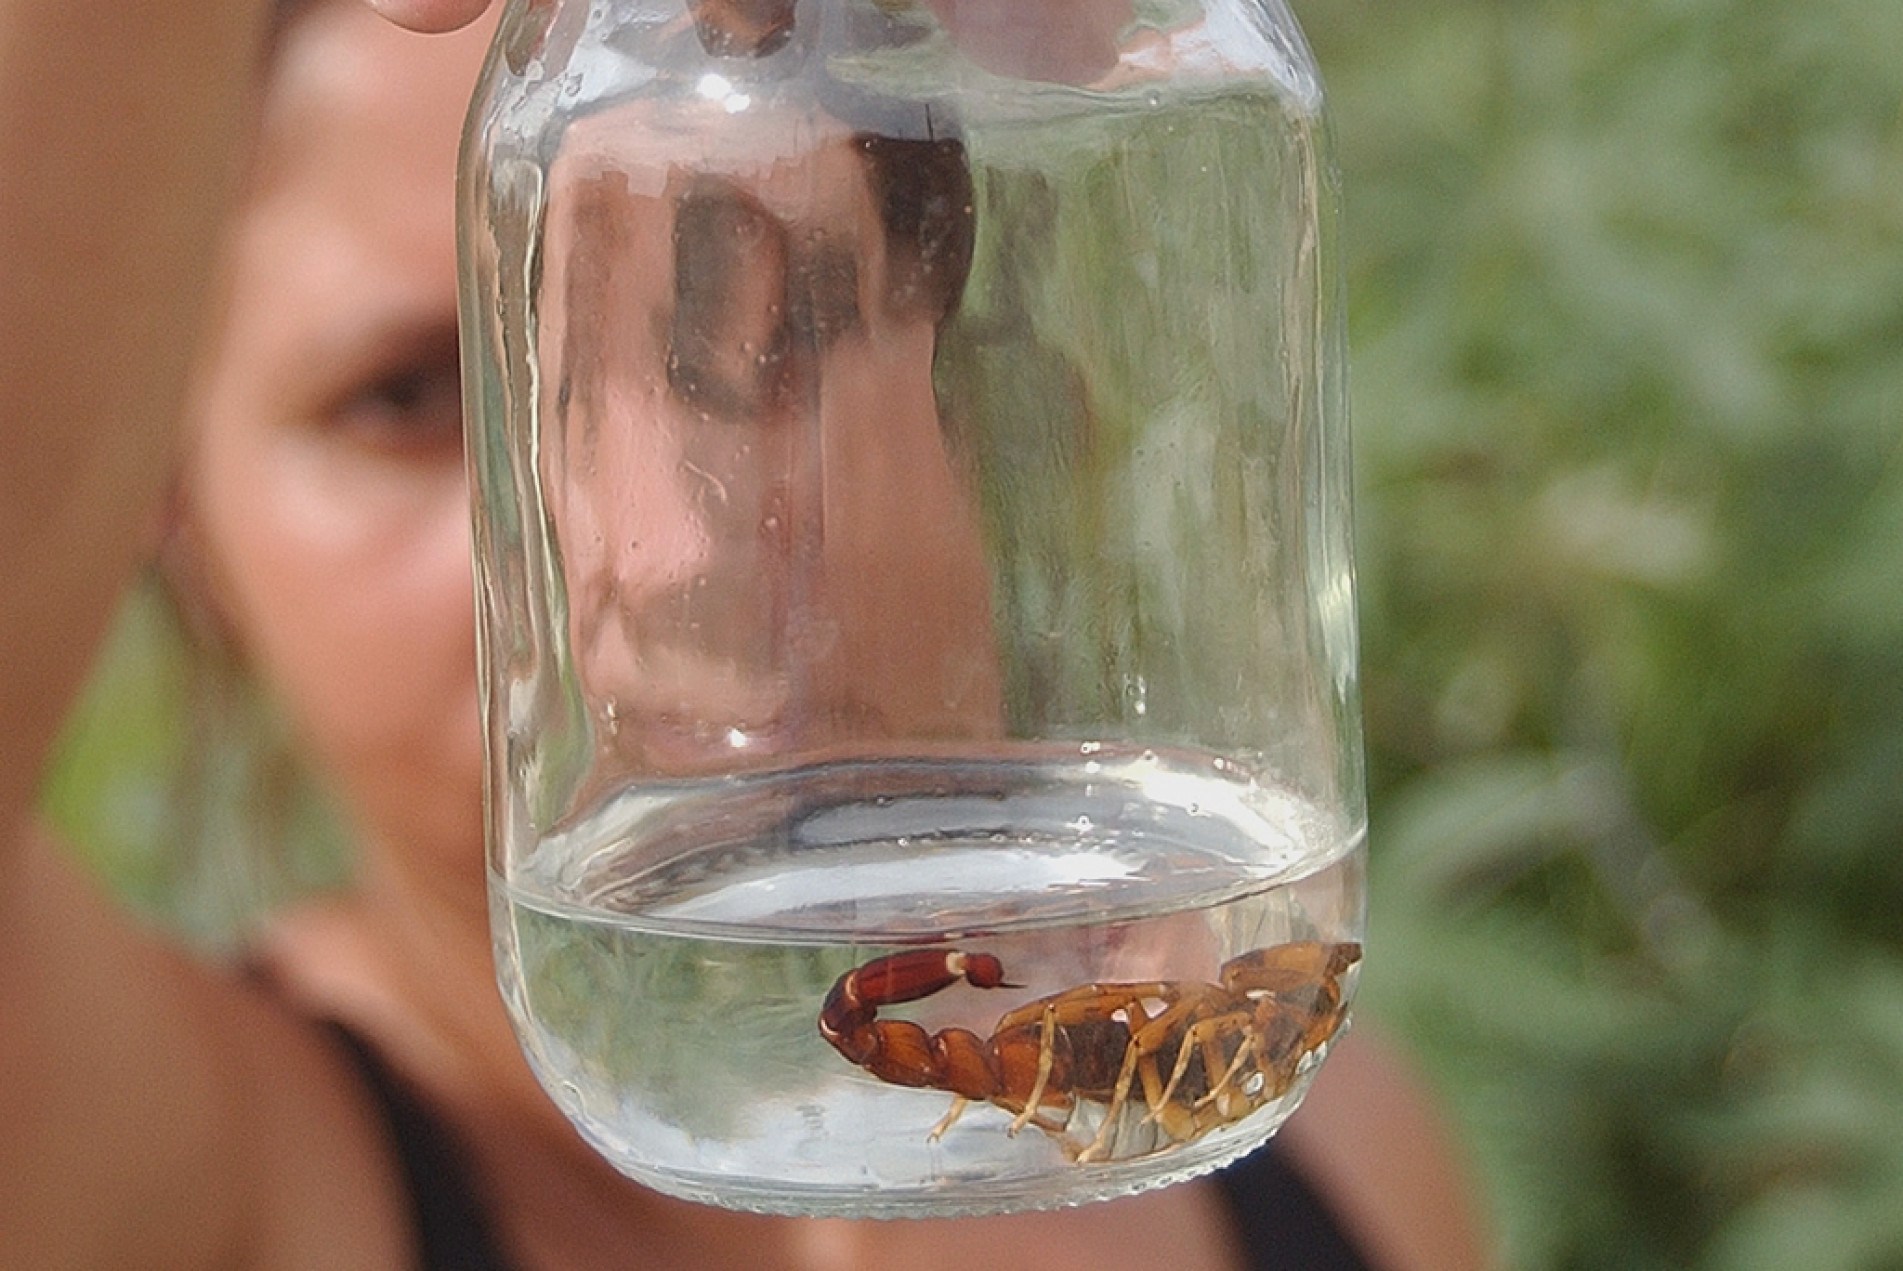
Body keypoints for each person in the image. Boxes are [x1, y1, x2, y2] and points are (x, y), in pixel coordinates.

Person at [0, 2, 1492, 1267]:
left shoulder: (1343, 1151)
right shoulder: (172, 1177)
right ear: (156, 481)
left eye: (767, 330)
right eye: (405, 399)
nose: (668, 548)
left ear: (959, 353)